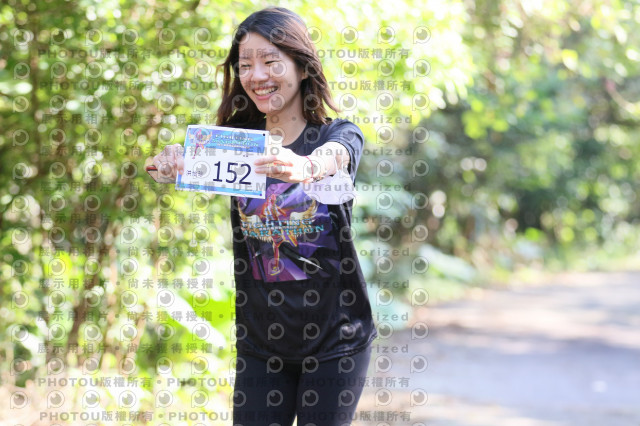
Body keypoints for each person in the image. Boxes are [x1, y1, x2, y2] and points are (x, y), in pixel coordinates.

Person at [149, 7, 377, 426]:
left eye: (271, 61)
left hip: (336, 340)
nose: (257, 75)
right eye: (245, 65)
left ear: (302, 67)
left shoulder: (335, 135)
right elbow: (185, 165)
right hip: (261, 342)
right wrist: (171, 163)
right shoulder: (238, 143)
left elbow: (338, 155)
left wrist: (306, 165)